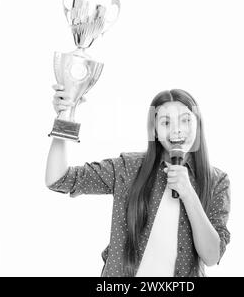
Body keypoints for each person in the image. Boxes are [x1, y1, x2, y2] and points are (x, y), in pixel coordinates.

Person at [45, 86, 231, 277]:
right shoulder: (129, 168)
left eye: (185, 120)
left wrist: (189, 194)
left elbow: (211, 256)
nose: (177, 130)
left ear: (197, 124)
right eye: (166, 122)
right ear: (155, 131)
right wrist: (64, 117)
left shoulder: (216, 181)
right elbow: (59, 178)